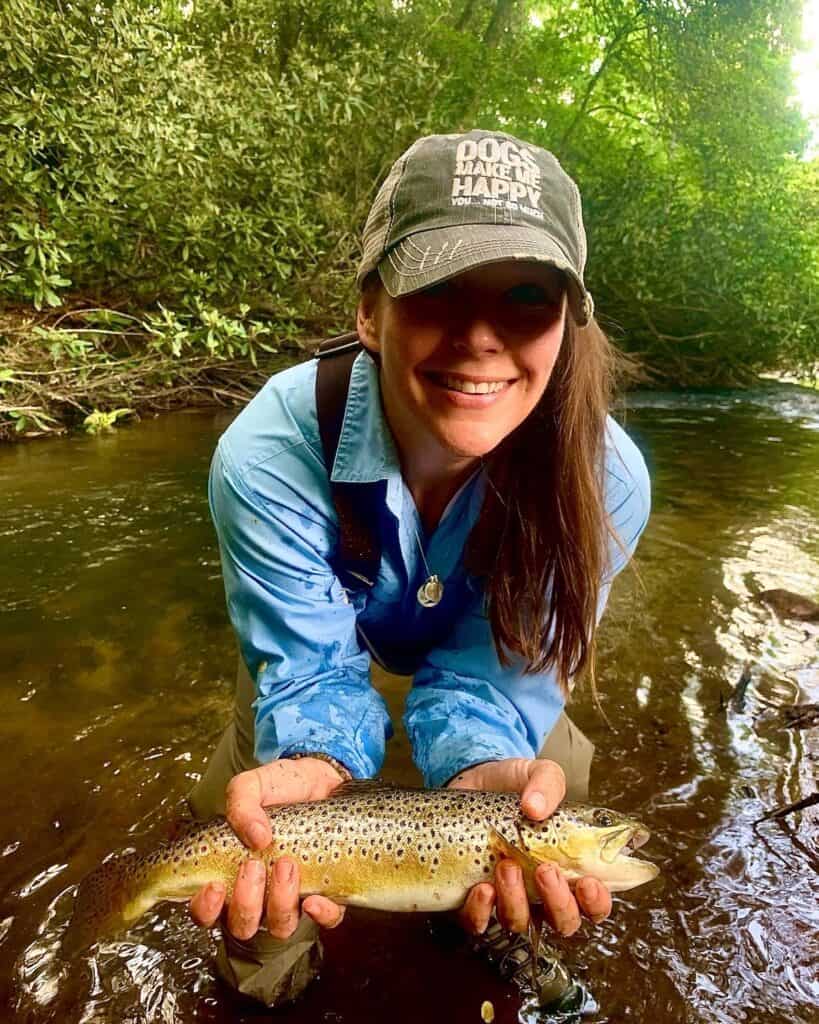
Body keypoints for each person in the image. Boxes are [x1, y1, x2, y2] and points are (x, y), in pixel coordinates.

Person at [184, 129, 650, 1006]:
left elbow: (496, 680)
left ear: (566, 325)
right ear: (371, 312)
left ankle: (488, 922)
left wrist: (477, 771)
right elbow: (309, 671)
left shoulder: (605, 479)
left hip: (489, 663)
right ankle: (267, 976)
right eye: (438, 290)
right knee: (255, 848)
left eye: (524, 297)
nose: (480, 337)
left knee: (542, 784)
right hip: (317, 656)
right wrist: (319, 756)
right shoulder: (269, 449)